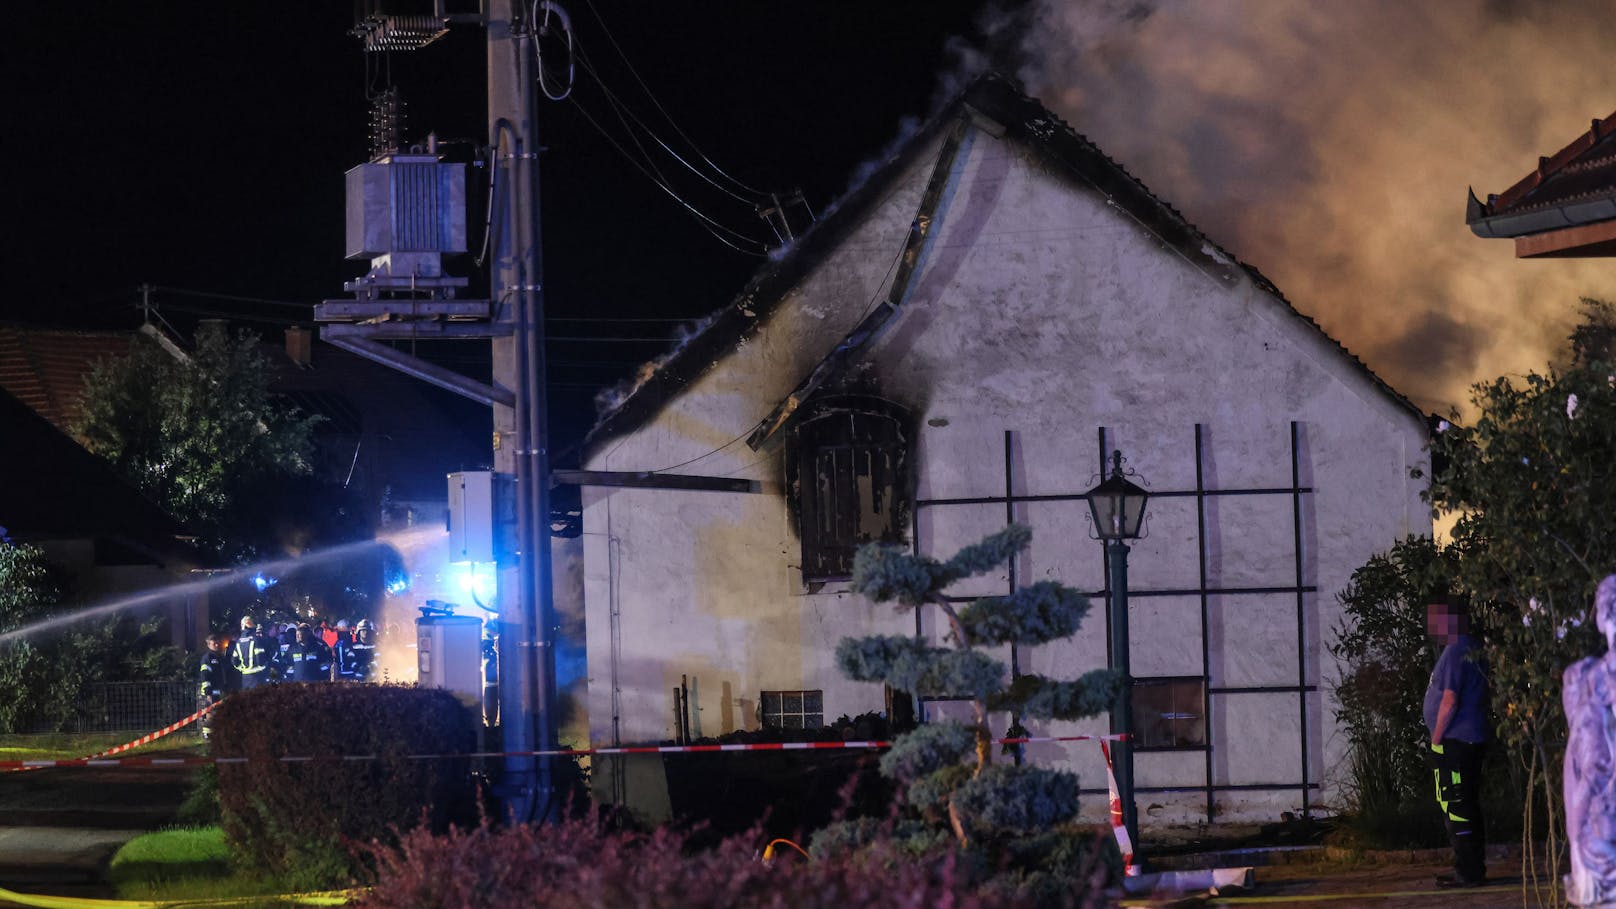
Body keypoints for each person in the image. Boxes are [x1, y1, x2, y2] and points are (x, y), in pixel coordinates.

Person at [1425, 595, 1490, 888]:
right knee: (1466, 804)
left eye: (1437, 618)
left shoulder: (1456, 649)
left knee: (1456, 804)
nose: (1432, 625)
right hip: (1469, 739)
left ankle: (1467, 871)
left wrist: (1436, 740)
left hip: (1456, 742)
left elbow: (1449, 700)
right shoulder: (1470, 646)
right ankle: (1471, 867)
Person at [1564, 575, 1616, 906]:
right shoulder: (1586, 679)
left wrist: (1576, 837)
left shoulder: (1584, 680)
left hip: (1601, 832)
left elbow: (1589, 767)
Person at [231, 616, 275, 689]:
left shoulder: (238, 642)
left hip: (245, 678)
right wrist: (266, 666)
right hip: (257, 678)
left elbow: (234, 661)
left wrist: (242, 668)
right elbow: (260, 661)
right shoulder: (256, 640)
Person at [198, 633, 228, 739]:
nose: (216, 645)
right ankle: (207, 734)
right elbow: (205, 675)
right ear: (209, 644)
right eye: (214, 643)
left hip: (219, 690)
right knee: (209, 713)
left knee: (218, 713)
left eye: (217, 643)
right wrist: (208, 692)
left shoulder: (220, 657)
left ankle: (216, 733)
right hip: (210, 691)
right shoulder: (207, 658)